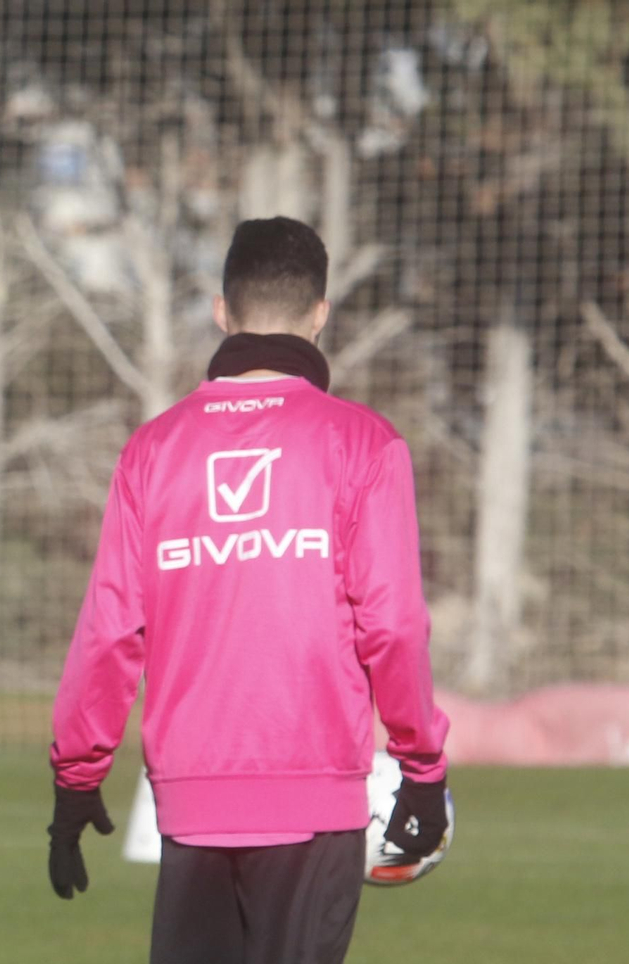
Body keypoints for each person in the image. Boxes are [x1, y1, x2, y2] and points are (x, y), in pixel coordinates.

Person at [46, 217, 451, 964]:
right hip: (316, 801)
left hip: (190, 803)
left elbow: (110, 631)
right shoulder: (364, 443)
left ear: (221, 311)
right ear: (321, 314)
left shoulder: (153, 449)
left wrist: (78, 776)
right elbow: (393, 625)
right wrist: (421, 769)